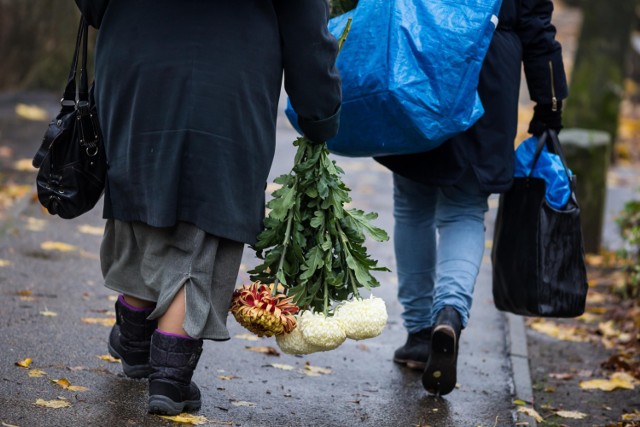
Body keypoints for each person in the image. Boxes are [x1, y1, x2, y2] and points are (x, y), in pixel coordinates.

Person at [74, 0, 341, 415]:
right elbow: (305, 21)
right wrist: (319, 110)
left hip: (134, 56)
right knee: (205, 217)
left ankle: (135, 342)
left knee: (141, 191)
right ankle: (169, 376)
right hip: (231, 71)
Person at [375, 0, 567, 396]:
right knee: (464, 208)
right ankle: (449, 314)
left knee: (412, 204)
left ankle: (419, 334)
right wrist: (549, 101)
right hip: (487, 67)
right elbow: (535, 23)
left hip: (421, 54)